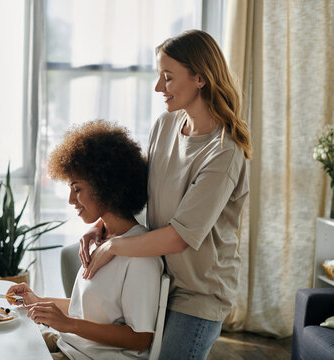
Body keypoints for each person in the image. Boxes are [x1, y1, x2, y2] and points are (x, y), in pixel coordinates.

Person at [78, 30, 252, 360]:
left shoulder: (224, 152)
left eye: (168, 78)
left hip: (198, 296)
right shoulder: (166, 124)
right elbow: (142, 194)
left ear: (200, 77)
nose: (159, 87)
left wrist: (114, 246)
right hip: (157, 278)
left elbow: (179, 237)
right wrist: (101, 224)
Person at [7, 120, 164, 360]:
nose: (71, 199)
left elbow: (140, 338)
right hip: (69, 346)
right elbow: (91, 310)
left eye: (77, 188)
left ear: (106, 187)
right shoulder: (102, 240)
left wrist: (68, 325)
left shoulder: (140, 257)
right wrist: (37, 301)